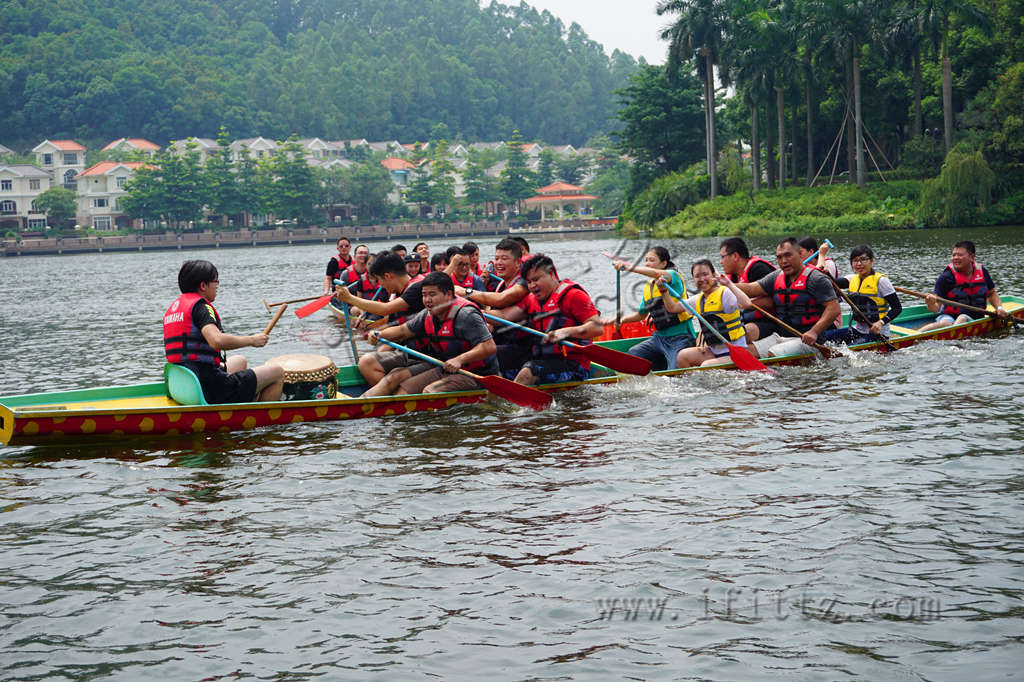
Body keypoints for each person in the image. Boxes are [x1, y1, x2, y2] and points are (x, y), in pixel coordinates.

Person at [163, 260, 284, 403]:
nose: (217, 286)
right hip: (210, 387)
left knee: (240, 360)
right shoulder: (201, 308)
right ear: (203, 285)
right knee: (277, 372)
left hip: (187, 381)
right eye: (216, 282)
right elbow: (216, 341)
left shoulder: (175, 308)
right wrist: (252, 340)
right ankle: (262, 421)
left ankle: (245, 396)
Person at [363, 272, 499, 396]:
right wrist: (379, 334)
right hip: (445, 368)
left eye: (432, 294)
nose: (427, 300)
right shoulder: (428, 313)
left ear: (449, 295)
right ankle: (362, 404)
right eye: (424, 295)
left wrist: (460, 360)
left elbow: (489, 346)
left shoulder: (466, 315)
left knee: (430, 392)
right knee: (402, 391)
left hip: (476, 374)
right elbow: (402, 331)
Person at [500, 254, 602, 385]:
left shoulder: (574, 296)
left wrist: (566, 332)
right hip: (541, 359)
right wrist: (477, 310)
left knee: (528, 372)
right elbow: (504, 316)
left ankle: (509, 404)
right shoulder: (531, 299)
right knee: (492, 357)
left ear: (551, 274)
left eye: (536, 279)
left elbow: (597, 328)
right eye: (529, 282)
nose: (532, 285)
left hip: (573, 365)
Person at [734, 237, 842, 357]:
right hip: (781, 337)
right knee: (744, 353)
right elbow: (750, 289)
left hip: (809, 341)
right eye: (779, 257)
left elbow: (834, 308)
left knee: (774, 353)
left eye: (788, 255)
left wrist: (814, 332)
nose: (783, 261)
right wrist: (724, 285)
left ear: (800, 254)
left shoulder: (816, 278)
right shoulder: (775, 277)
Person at [333, 251, 427, 387]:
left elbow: (385, 309)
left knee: (372, 364)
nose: (380, 286)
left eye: (380, 280)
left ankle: (395, 395)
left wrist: (349, 298)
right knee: (366, 362)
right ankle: (390, 394)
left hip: (427, 355)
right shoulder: (398, 294)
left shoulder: (417, 287)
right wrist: (377, 353)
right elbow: (396, 336)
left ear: (388, 276)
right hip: (410, 351)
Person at [600, 247, 696, 370]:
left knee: (675, 372)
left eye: (652, 260)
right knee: (633, 354)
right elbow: (641, 315)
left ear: (663, 264)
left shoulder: (673, 276)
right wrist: (619, 319)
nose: (647, 263)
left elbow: (656, 274)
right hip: (659, 338)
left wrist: (628, 267)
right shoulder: (649, 287)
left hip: (681, 337)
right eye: (646, 260)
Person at [675, 260, 753, 367]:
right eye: (697, 276)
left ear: (713, 275)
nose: (702, 279)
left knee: (706, 365)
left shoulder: (725, 293)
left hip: (735, 352)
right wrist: (663, 291)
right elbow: (673, 308)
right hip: (714, 352)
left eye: (705, 274)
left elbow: (747, 304)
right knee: (682, 356)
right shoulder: (698, 299)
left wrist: (729, 284)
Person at [918, 241, 1009, 331]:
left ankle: (952, 335)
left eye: (960, 255)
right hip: (948, 317)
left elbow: (992, 293)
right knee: (945, 323)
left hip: (975, 318)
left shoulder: (982, 271)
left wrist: (999, 308)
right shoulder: (946, 277)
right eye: (954, 255)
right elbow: (935, 309)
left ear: (972, 257)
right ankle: (916, 335)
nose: (956, 258)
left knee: (962, 318)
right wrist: (930, 303)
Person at [821, 245, 903, 345]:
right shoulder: (852, 279)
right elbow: (832, 283)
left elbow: (897, 308)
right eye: (855, 260)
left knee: (851, 348)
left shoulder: (881, 281)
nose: (859, 264)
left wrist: (881, 323)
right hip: (858, 330)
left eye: (863, 260)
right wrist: (823, 260)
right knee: (823, 338)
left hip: (877, 333)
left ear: (872, 261)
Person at [719, 237, 777, 329]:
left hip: (769, 321)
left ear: (735, 256)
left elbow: (771, 301)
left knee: (744, 331)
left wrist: (742, 304)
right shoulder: (732, 277)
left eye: (722, 257)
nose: (720, 262)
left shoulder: (759, 269)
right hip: (744, 320)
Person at [329, 243, 374, 315]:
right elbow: (341, 295)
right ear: (355, 256)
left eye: (365, 253)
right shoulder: (346, 274)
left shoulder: (374, 272)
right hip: (352, 304)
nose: (363, 255)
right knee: (354, 310)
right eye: (360, 253)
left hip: (369, 302)